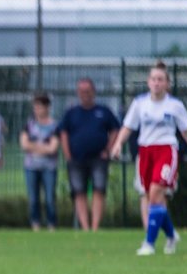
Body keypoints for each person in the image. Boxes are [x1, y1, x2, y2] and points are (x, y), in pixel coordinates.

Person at [109, 60, 187, 255]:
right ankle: (171, 235)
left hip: (166, 151)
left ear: (167, 83)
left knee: (155, 194)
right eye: (153, 79)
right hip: (146, 152)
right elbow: (128, 126)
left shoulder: (175, 105)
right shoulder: (140, 103)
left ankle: (149, 244)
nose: (156, 83)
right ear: (148, 82)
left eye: (160, 79)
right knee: (154, 198)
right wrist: (118, 144)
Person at [58, 78, 120, 231]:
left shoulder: (103, 111)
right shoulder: (71, 113)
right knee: (79, 192)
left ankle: (95, 226)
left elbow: (115, 130)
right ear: (77, 93)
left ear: (93, 92)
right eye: (81, 91)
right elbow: (63, 133)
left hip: (99, 159)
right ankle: (85, 227)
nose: (85, 94)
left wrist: (108, 150)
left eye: (87, 91)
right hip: (76, 159)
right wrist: (67, 155)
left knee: (99, 190)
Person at [20, 92, 61, 231]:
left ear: (47, 107)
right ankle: (35, 225)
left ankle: (51, 225)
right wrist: (43, 146)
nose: (37, 109)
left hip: (49, 167)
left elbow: (53, 148)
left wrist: (34, 146)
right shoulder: (29, 125)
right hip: (31, 166)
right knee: (33, 199)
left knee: (49, 198)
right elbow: (24, 145)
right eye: (35, 107)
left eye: (40, 106)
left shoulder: (54, 126)